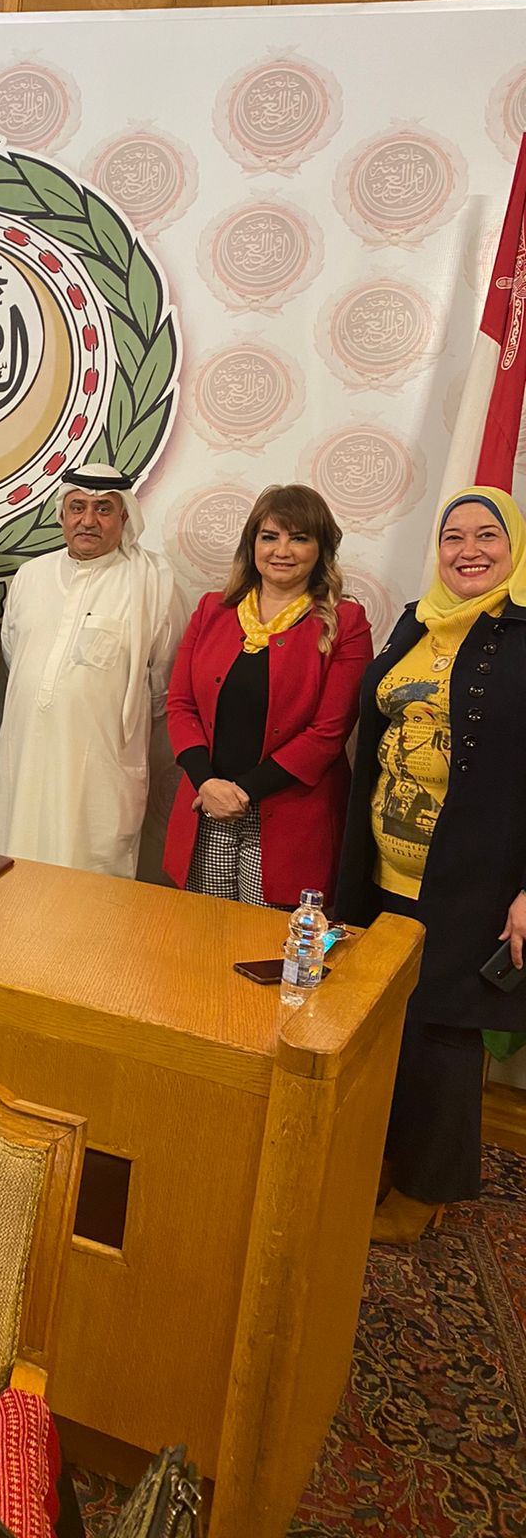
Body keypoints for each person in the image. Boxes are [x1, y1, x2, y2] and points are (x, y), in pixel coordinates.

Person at [335, 485, 526, 1241]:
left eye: (487, 536)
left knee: (444, 1030)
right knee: (390, 1024)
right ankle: (387, 1157)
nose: (469, 550)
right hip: (384, 865)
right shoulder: (416, 621)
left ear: (514, 549)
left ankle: (426, 1191)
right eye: (454, 536)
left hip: (474, 875)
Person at [164, 484, 371, 907]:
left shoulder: (346, 622)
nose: (282, 551)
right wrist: (208, 784)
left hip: (288, 816)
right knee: (204, 932)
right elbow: (181, 704)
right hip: (208, 806)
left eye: (299, 538)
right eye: (270, 536)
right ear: (252, 544)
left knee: (267, 940)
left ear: (321, 548)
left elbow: (328, 733)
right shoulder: (212, 610)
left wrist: (242, 793)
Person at [0, 467, 176, 878]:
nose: (88, 520)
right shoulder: (31, 575)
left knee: (88, 874)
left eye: (103, 509)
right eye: (78, 507)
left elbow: (164, 678)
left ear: (125, 516)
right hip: (24, 757)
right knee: (12, 869)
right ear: (62, 515)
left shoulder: (153, 581)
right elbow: (16, 655)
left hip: (100, 767)